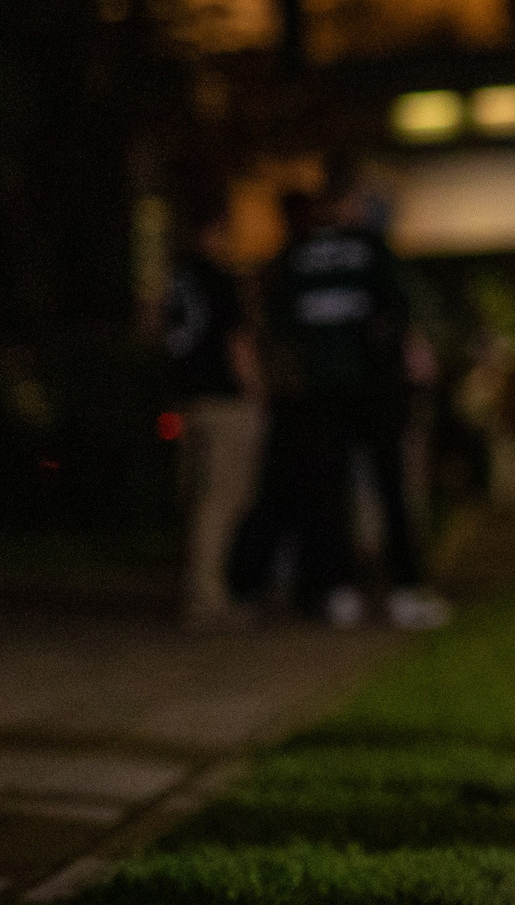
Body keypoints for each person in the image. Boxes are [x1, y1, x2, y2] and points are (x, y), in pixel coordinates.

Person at [266, 168, 449, 630]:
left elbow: (278, 326)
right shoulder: (370, 249)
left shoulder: (295, 255)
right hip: (373, 388)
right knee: (390, 489)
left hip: (317, 394)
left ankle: (338, 592)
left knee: (330, 492)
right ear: (349, 203)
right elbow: (400, 310)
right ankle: (404, 590)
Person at [161, 197, 263, 628]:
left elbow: (160, 331)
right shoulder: (219, 279)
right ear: (218, 229)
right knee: (222, 498)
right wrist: (257, 389)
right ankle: (206, 599)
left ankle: (201, 589)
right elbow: (236, 342)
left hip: (188, 401)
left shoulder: (177, 281)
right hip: (224, 401)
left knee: (198, 497)